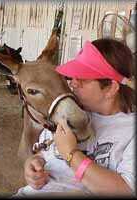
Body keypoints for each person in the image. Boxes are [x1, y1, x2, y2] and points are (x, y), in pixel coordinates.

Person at [15, 38, 135, 197]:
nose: (73, 83)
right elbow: (44, 152)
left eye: (83, 78)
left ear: (111, 88)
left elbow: (125, 190)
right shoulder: (69, 112)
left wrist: (71, 154)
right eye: (72, 76)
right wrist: (34, 165)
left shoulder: (130, 131)